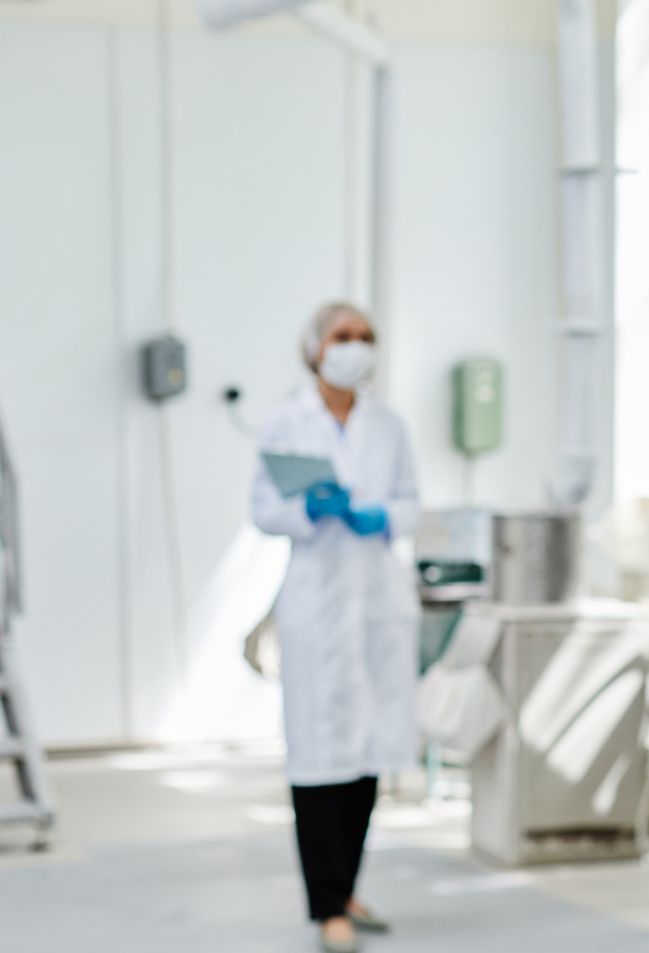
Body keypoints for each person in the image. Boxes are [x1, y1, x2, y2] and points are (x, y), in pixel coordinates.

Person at [252, 302, 420, 953]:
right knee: (318, 755)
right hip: (316, 603)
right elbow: (263, 509)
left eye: (365, 336)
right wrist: (308, 510)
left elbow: (411, 503)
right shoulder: (284, 422)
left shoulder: (390, 426)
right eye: (343, 336)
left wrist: (383, 517)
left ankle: (348, 887)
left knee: (367, 753)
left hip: (376, 603)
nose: (356, 346)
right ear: (314, 348)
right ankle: (327, 906)